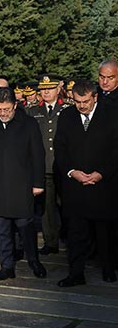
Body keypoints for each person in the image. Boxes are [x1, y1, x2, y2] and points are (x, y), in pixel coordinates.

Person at [0, 87, 47, 280]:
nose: (3, 114)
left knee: (26, 227)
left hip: (22, 185)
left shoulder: (29, 124)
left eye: (7, 109)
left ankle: (34, 261)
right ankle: (6, 265)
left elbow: (38, 155)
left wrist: (38, 182)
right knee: (2, 228)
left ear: (15, 105)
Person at [54, 80, 118, 286]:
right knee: (75, 232)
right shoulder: (67, 116)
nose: (81, 106)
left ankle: (109, 269)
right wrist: (72, 172)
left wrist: (102, 173)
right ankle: (76, 273)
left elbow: (116, 150)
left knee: (105, 231)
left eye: (85, 101)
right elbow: (60, 148)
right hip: (76, 185)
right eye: (77, 101)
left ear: (95, 97)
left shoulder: (111, 115)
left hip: (103, 184)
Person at [25, 75, 71, 255]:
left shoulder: (67, 108)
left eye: (50, 88)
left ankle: (70, 239)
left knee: (67, 205)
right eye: (43, 89)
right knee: (47, 208)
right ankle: (51, 242)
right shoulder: (32, 110)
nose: (46, 92)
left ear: (58, 89)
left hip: (65, 166)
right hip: (44, 166)